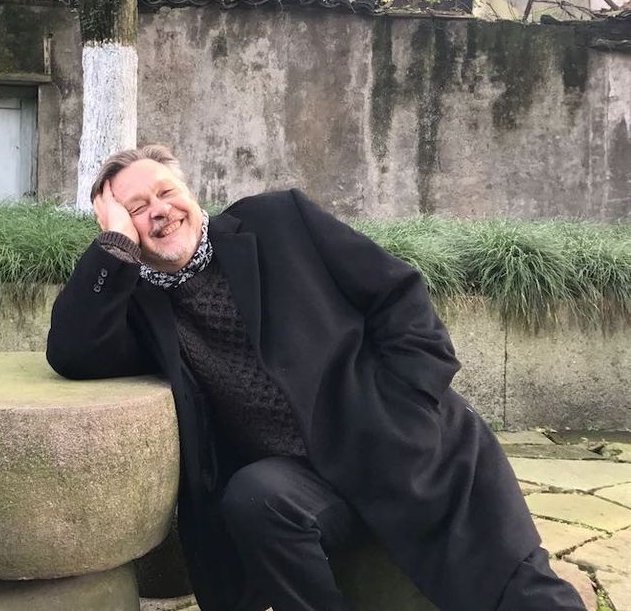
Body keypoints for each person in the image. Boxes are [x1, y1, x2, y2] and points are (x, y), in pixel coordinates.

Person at [46, 144, 584, 611]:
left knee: (518, 589)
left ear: (190, 190)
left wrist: (413, 401)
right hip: (305, 481)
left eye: (166, 192)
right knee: (253, 495)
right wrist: (113, 247)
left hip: (404, 443)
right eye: (137, 209)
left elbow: (398, 295)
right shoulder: (141, 303)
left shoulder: (279, 220)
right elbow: (71, 353)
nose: (160, 212)